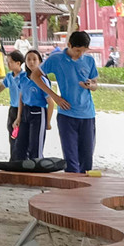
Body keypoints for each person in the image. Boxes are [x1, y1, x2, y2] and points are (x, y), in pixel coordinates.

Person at [42, 30, 101, 174]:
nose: (80, 54)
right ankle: (72, 190)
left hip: (87, 114)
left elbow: (95, 84)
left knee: (86, 159)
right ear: (69, 45)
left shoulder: (89, 61)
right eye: (77, 50)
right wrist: (55, 97)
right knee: (71, 159)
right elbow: (36, 75)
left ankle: (85, 192)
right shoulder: (56, 59)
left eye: (84, 51)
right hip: (66, 115)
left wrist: (90, 85)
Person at [19, 48, 57, 162]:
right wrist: (18, 117)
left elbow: (50, 103)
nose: (31, 62)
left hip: (38, 113)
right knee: (22, 144)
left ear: (40, 62)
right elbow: (21, 97)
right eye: (28, 59)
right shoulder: (23, 78)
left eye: (34, 59)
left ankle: (38, 167)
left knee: (36, 146)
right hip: (25, 112)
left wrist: (48, 122)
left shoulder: (42, 81)